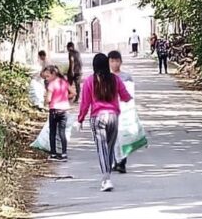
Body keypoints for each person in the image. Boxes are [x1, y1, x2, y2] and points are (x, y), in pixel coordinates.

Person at [77, 53, 133, 192]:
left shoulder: (90, 81)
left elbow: (85, 103)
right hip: (113, 117)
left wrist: (80, 119)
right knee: (109, 148)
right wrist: (128, 98)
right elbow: (126, 96)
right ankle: (107, 177)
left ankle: (106, 179)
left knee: (101, 149)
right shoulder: (115, 79)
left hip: (98, 117)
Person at [108, 50, 134, 174]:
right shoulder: (106, 77)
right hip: (111, 110)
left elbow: (130, 94)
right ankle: (115, 161)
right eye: (112, 61)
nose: (114, 64)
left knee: (123, 136)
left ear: (121, 62)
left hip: (124, 110)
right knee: (112, 138)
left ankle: (122, 162)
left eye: (117, 61)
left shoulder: (126, 77)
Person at [41, 65, 74, 162]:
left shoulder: (52, 85)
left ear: (54, 74)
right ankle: (64, 154)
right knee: (62, 133)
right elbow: (73, 93)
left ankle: (53, 154)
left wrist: (45, 101)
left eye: (48, 76)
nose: (46, 79)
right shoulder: (64, 82)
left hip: (54, 110)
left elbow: (49, 99)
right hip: (64, 110)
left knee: (53, 133)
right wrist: (65, 98)